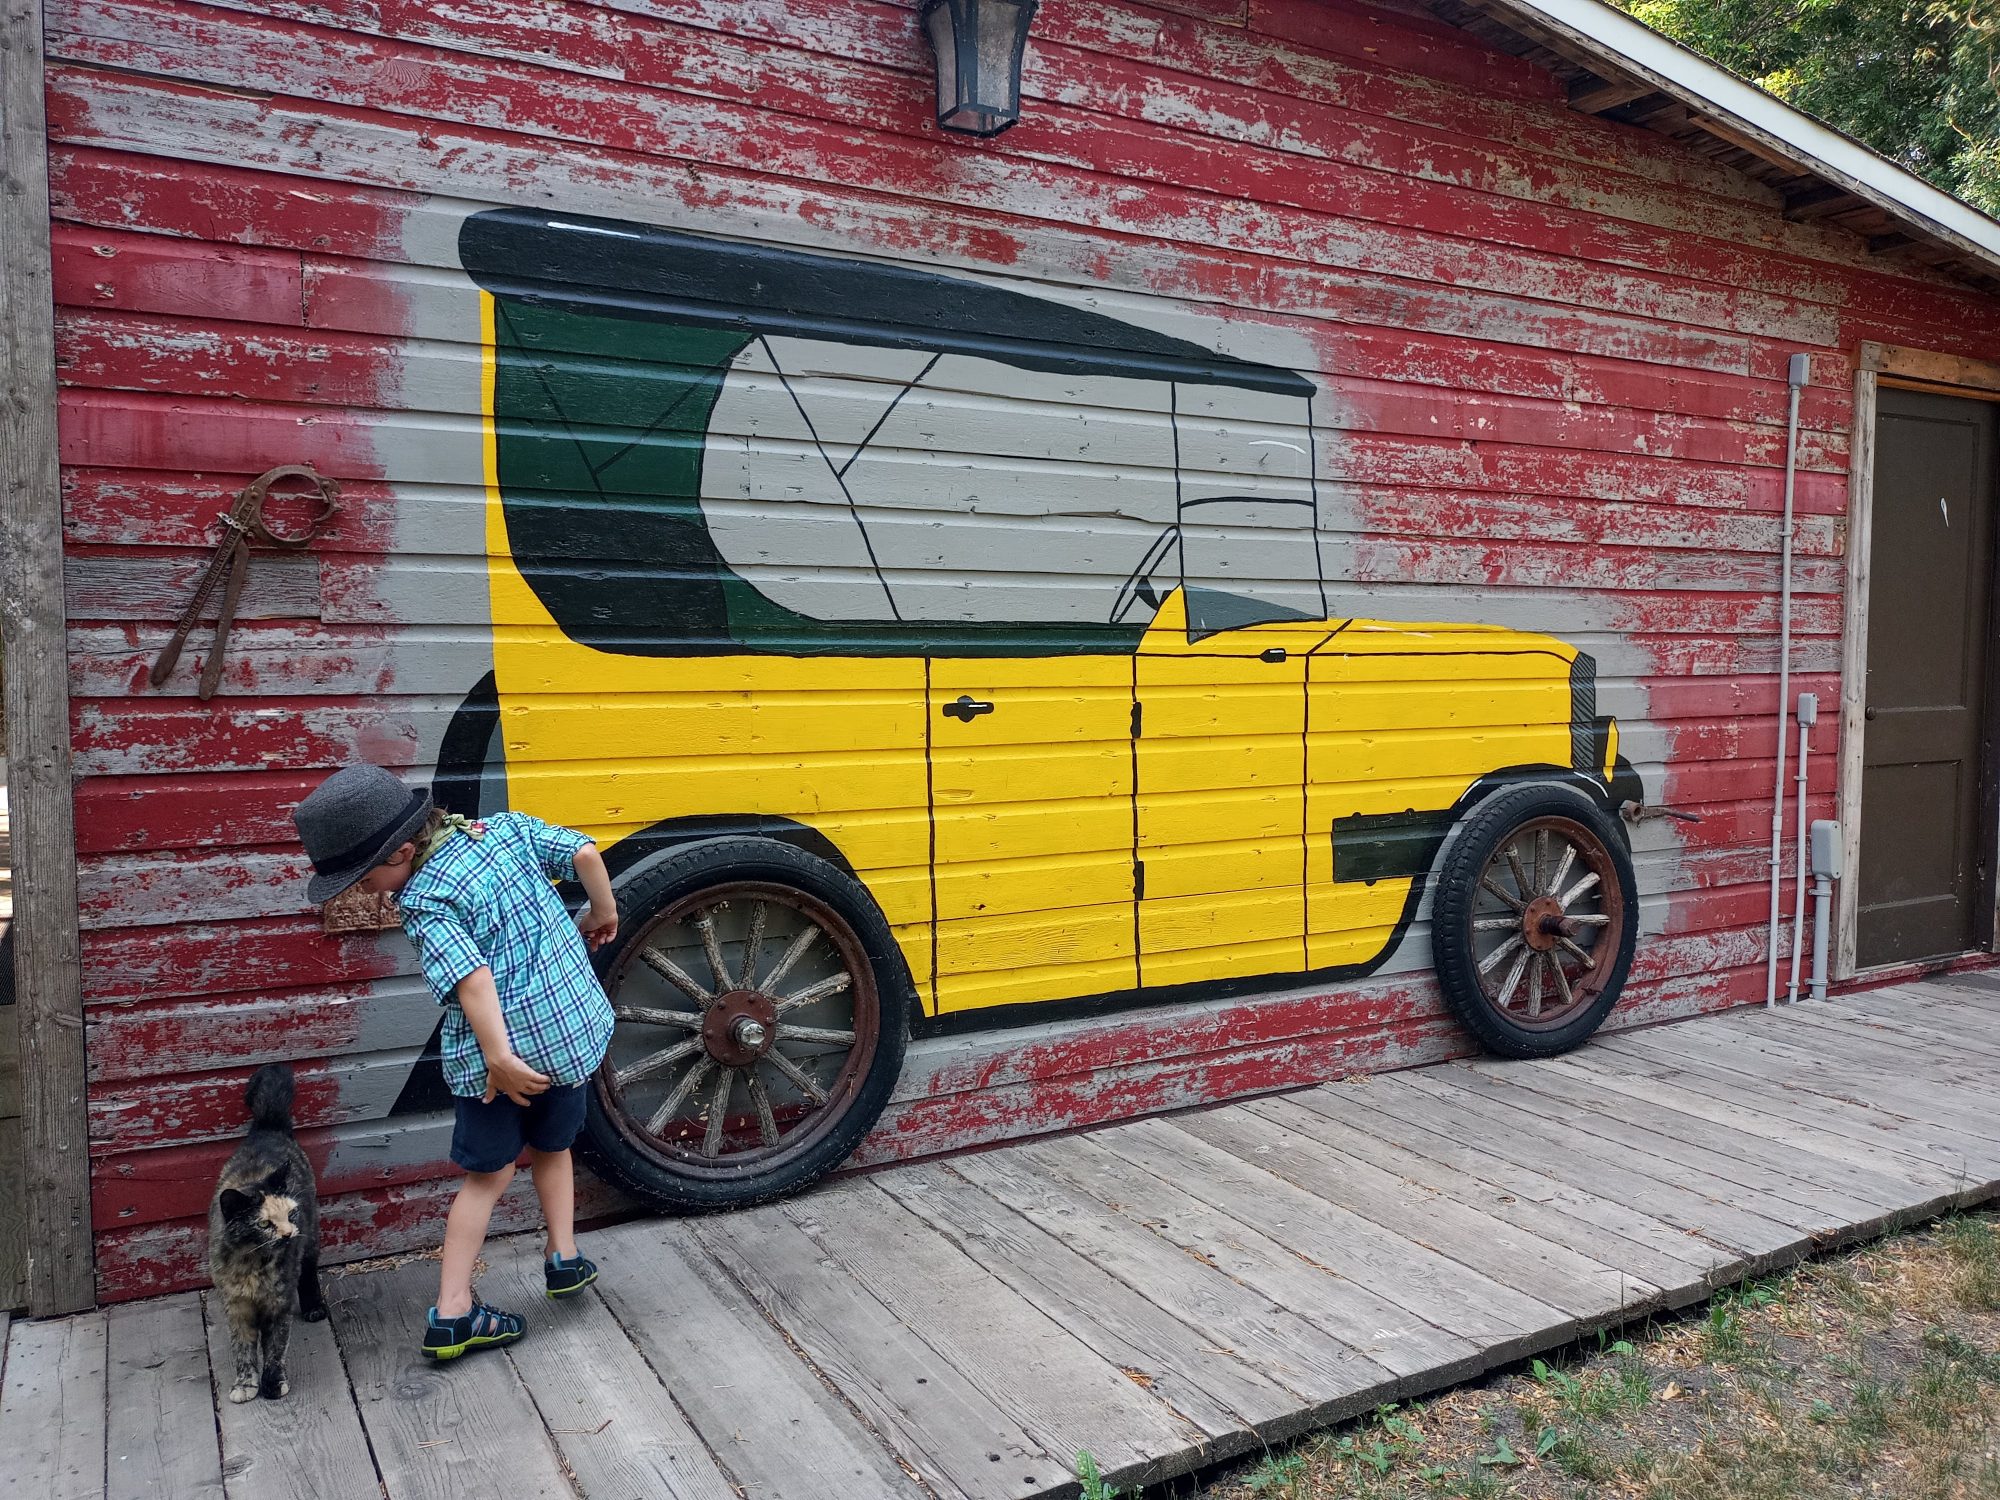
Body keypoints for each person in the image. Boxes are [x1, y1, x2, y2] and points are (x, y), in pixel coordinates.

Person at [292, 764, 618, 1359]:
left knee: (486, 1179)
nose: (367, 890)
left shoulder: (427, 899)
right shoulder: (504, 831)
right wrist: (602, 912)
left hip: (499, 1068)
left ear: (406, 851)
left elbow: (472, 979)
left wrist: (497, 1056)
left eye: (365, 877)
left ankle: (452, 1314)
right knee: (554, 1148)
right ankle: (564, 1258)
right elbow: (586, 852)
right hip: (570, 1038)